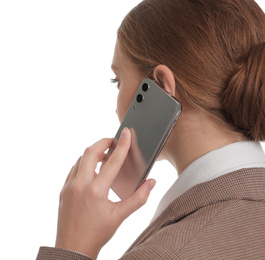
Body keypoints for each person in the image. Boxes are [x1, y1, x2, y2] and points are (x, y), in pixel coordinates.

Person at [37, 0, 265, 259]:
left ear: (161, 87)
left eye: (118, 81)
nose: (115, 109)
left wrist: (73, 245)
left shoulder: (168, 252)